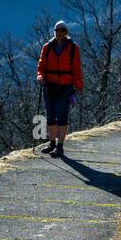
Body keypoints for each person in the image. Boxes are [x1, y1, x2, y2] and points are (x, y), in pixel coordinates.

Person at [36, 21, 83, 158]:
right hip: (49, 85)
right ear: (54, 31)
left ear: (66, 32)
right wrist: (40, 77)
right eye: (57, 30)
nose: (59, 32)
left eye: (62, 30)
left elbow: (76, 68)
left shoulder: (73, 48)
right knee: (50, 116)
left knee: (62, 116)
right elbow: (41, 66)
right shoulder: (47, 47)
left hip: (66, 86)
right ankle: (52, 144)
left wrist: (78, 86)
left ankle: (60, 146)